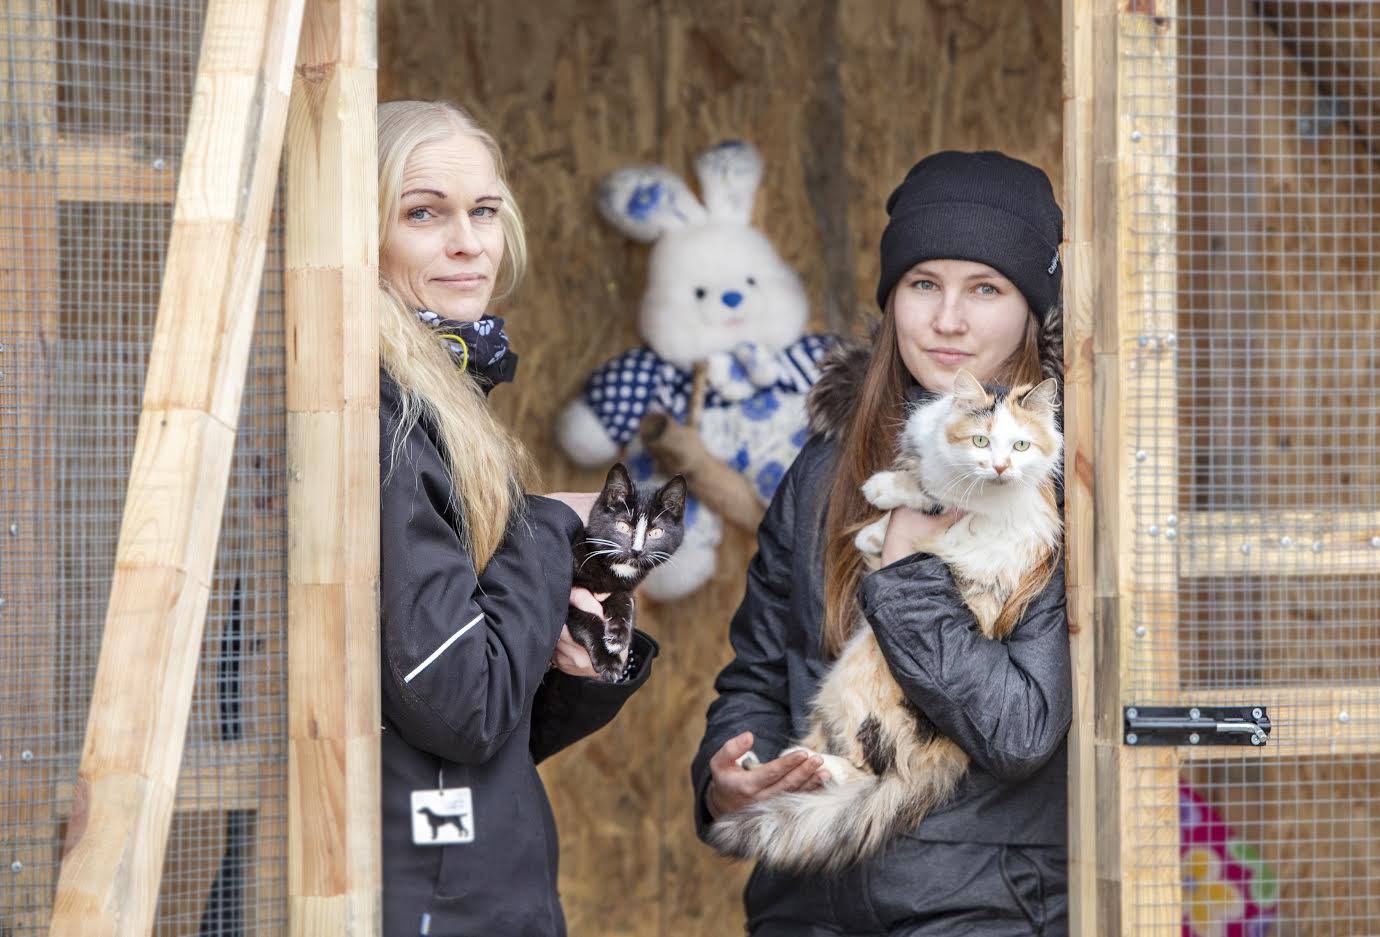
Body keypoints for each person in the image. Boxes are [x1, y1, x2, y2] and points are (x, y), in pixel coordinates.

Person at [692, 151, 1071, 936]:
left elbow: (1022, 728)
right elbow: (763, 669)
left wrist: (904, 574)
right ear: (893, 296)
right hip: (804, 901)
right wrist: (729, 779)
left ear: (1031, 311)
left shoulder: (1053, 481)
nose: (947, 320)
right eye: (923, 283)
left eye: (986, 289)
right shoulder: (827, 466)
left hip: (979, 904)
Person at [375, 100, 657, 937]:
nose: (468, 241)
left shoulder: (441, 393)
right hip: (418, 888)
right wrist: (546, 525)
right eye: (424, 213)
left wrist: (574, 665)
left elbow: (478, 717)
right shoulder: (378, 415)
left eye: (484, 211)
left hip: (458, 875)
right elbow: (461, 705)